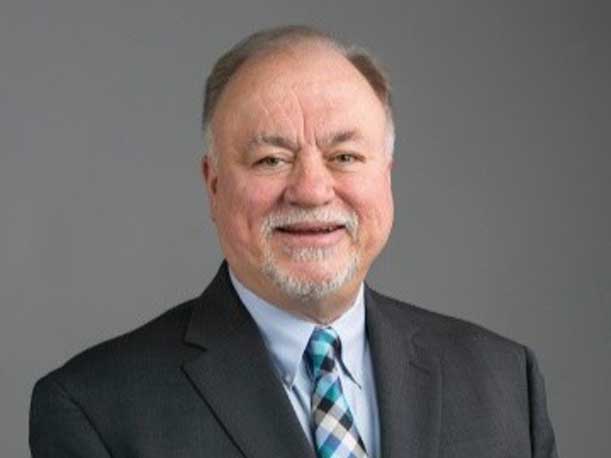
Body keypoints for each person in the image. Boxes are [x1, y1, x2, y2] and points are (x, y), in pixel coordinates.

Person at [29, 26, 558, 458]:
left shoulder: (504, 380)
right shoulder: (95, 410)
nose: (311, 190)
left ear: (386, 176)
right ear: (214, 185)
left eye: (345, 156)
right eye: (271, 160)